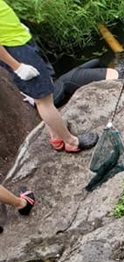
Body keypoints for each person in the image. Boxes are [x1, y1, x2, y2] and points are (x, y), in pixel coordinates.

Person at [0, 0, 98, 152]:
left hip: (19, 40)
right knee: (43, 99)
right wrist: (17, 67)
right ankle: (71, 141)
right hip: (15, 49)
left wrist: (17, 26)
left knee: (46, 91)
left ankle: (56, 136)